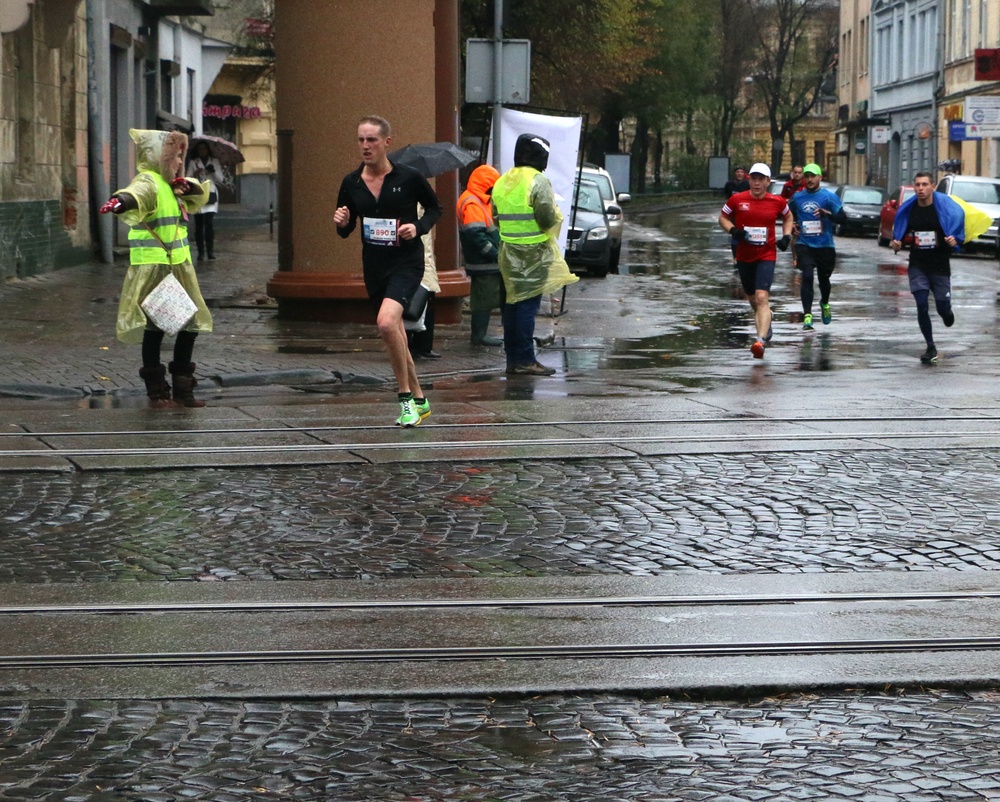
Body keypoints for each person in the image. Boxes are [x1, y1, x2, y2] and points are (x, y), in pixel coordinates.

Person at [334, 115, 442, 426]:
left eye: (371, 140)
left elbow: (435, 208)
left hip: (406, 263)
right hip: (375, 266)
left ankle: (405, 399)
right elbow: (347, 227)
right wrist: (342, 223)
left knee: (385, 323)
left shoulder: (409, 177)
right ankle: (420, 398)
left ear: (386, 142)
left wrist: (417, 227)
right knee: (394, 330)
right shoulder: (351, 183)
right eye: (361, 140)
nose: (365, 146)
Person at [99, 128, 214, 408]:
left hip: (177, 267)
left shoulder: (171, 184)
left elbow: (198, 196)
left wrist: (188, 187)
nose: (179, 162)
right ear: (159, 158)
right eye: (175, 157)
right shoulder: (149, 180)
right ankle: (160, 391)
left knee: (188, 324)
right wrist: (121, 202)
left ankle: (179, 390)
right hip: (154, 268)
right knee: (157, 327)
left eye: (180, 157)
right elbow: (135, 194)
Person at [492, 133, 579, 376]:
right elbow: (547, 217)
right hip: (533, 252)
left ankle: (513, 359)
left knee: (512, 305)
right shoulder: (538, 181)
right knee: (527, 307)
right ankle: (526, 360)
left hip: (508, 251)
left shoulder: (502, 180)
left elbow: (496, 216)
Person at [718, 162, 793, 359]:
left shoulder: (777, 201)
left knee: (761, 297)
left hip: (766, 255)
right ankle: (767, 317)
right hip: (744, 255)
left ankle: (760, 341)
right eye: (753, 179)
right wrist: (733, 230)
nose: (757, 183)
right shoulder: (737, 199)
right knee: (753, 299)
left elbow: (788, 217)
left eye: (761, 179)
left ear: (768, 181)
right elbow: (722, 218)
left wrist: (786, 236)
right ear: (749, 180)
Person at [890, 171, 965, 364]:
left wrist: (954, 240)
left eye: (924, 185)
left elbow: (956, 232)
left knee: (942, 308)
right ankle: (930, 346)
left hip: (940, 265)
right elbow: (898, 236)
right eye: (917, 185)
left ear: (933, 186)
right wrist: (896, 244)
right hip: (918, 265)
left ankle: (947, 313)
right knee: (921, 304)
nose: (920, 189)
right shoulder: (909, 210)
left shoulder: (943, 209)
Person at [788, 163, 847, 329]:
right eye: (807, 176)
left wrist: (828, 214)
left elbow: (843, 218)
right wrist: (792, 225)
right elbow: (786, 214)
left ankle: (825, 303)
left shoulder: (829, 197)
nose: (809, 179)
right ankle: (807, 315)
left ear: (820, 177)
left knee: (824, 279)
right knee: (807, 276)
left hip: (825, 245)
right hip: (804, 244)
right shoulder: (798, 197)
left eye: (813, 176)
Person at [457, 164, 504, 346]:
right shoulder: (473, 203)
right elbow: (476, 237)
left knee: (485, 297)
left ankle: (480, 334)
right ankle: (479, 336)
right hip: (483, 262)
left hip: (484, 261)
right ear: (487, 185)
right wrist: (495, 254)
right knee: (484, 299)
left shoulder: (477, 200)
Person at [407, 221, 440, 360]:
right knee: (415, 302)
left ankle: (422, 346)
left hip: (423, 261)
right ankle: (415, 346)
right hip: (416, 262)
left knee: (427, 299)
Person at [186, 140, 222, 260]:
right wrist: (195, 174)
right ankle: (201, 252)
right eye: (200, 148)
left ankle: (210, 251)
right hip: (198, 194)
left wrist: (212, 172)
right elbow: (187, 178)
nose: (202, 151)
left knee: (209, 223)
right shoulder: (193, 162)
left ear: (208, 150)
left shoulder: (214, 161)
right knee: (199, 224)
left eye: (204, 148)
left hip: (210, 193)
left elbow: (220, 179)